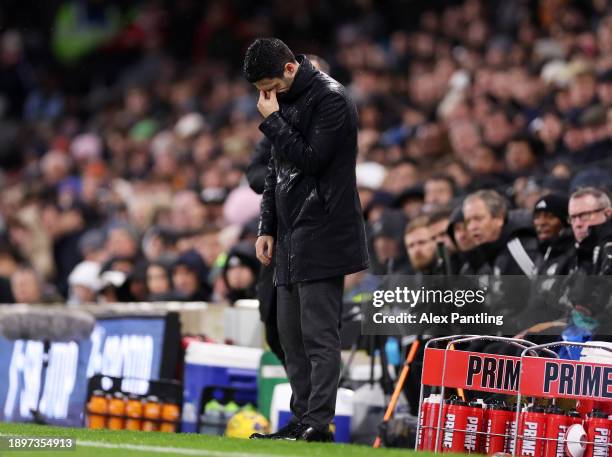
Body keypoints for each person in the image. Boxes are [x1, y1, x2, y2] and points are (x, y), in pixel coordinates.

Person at [244, 38, 369, 442]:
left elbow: (312, 159)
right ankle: (301, 420)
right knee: (289, 336)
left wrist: (273, 120)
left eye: (271, 86)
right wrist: (267, 228)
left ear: (290, 69)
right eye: (261, 90)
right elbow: (275, 173)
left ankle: (319, 421)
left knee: (318, 335)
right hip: (290, 236)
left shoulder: (330, 99)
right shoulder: (283, 102)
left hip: (324, 231)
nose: (267, 96)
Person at [245, 54, 330, 367]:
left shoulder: (331, 116)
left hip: (315, 234)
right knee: (274, 322)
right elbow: (254, 170)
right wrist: (275, 180)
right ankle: (303, 407)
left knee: (311, 330)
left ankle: (321, 409)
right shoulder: (281, 120)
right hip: (280, 234)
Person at [462, 189, 539, 276]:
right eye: (468, 222)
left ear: (499, 218)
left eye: (478, 219)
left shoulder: (520, 252)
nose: (472, 227)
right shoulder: (484, 256)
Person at [532, 193, 574, 275]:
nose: (541, 223)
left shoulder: (574, 255)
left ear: (566, 221)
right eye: (537, 217)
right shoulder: (539, 252)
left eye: (550, 217)